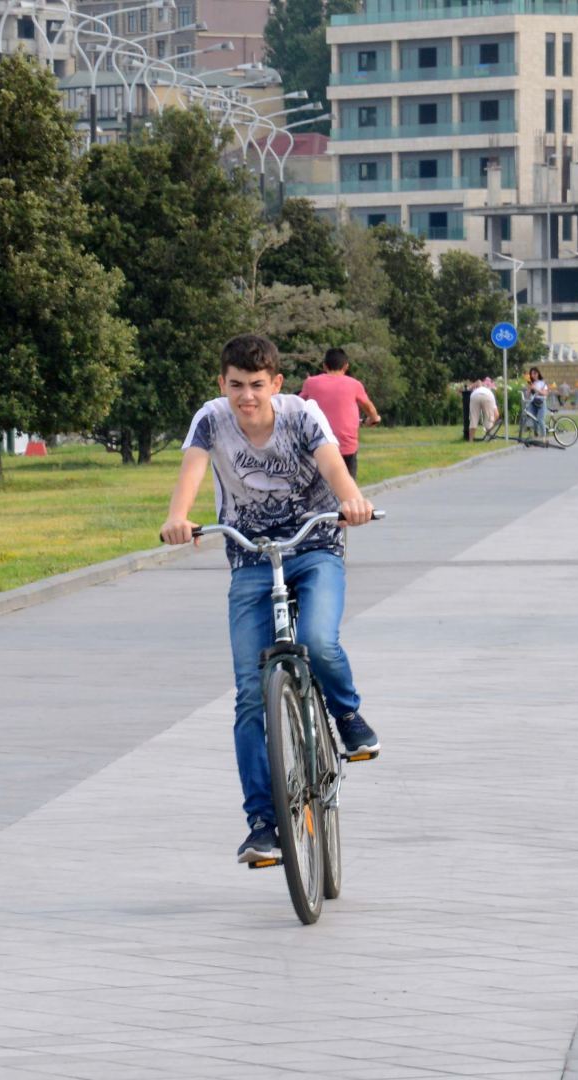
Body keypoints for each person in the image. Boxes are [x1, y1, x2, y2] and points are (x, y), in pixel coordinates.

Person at [161, 334, 379, 864]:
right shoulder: (210, 420)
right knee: (248, 695)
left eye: (257, 385)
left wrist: (352, 501)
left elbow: (332, 466)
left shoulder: (301, 416)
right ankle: (263, 822)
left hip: (316, 544)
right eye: (236, 385)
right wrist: (176, 519)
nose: (246, 396)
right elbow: (191, 470)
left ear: (276, 384)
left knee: (318, 641)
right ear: (222, 384)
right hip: (251, 557)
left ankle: (347, 717)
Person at [299, 347, 381, 479]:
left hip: (318, 446)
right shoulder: (354, 384)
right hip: (346, 447)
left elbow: (298, 403)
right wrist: (374, 418)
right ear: (346, 366)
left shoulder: (311, 383)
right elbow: (370, 408)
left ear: (324, 365)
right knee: (348, 490)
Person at [522, 366, 550, 433]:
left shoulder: (542, 383)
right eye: (531, 374)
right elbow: (528, 396)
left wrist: (536, 389)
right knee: (533, 419)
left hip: (541, 402)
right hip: (533, 402)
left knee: (540, 420)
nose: (533, 375)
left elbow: (545, 393)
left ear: (538, 374)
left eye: (534, 373)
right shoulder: (531, 383)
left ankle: (544, 438)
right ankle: (536, 435)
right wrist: (529, 389)